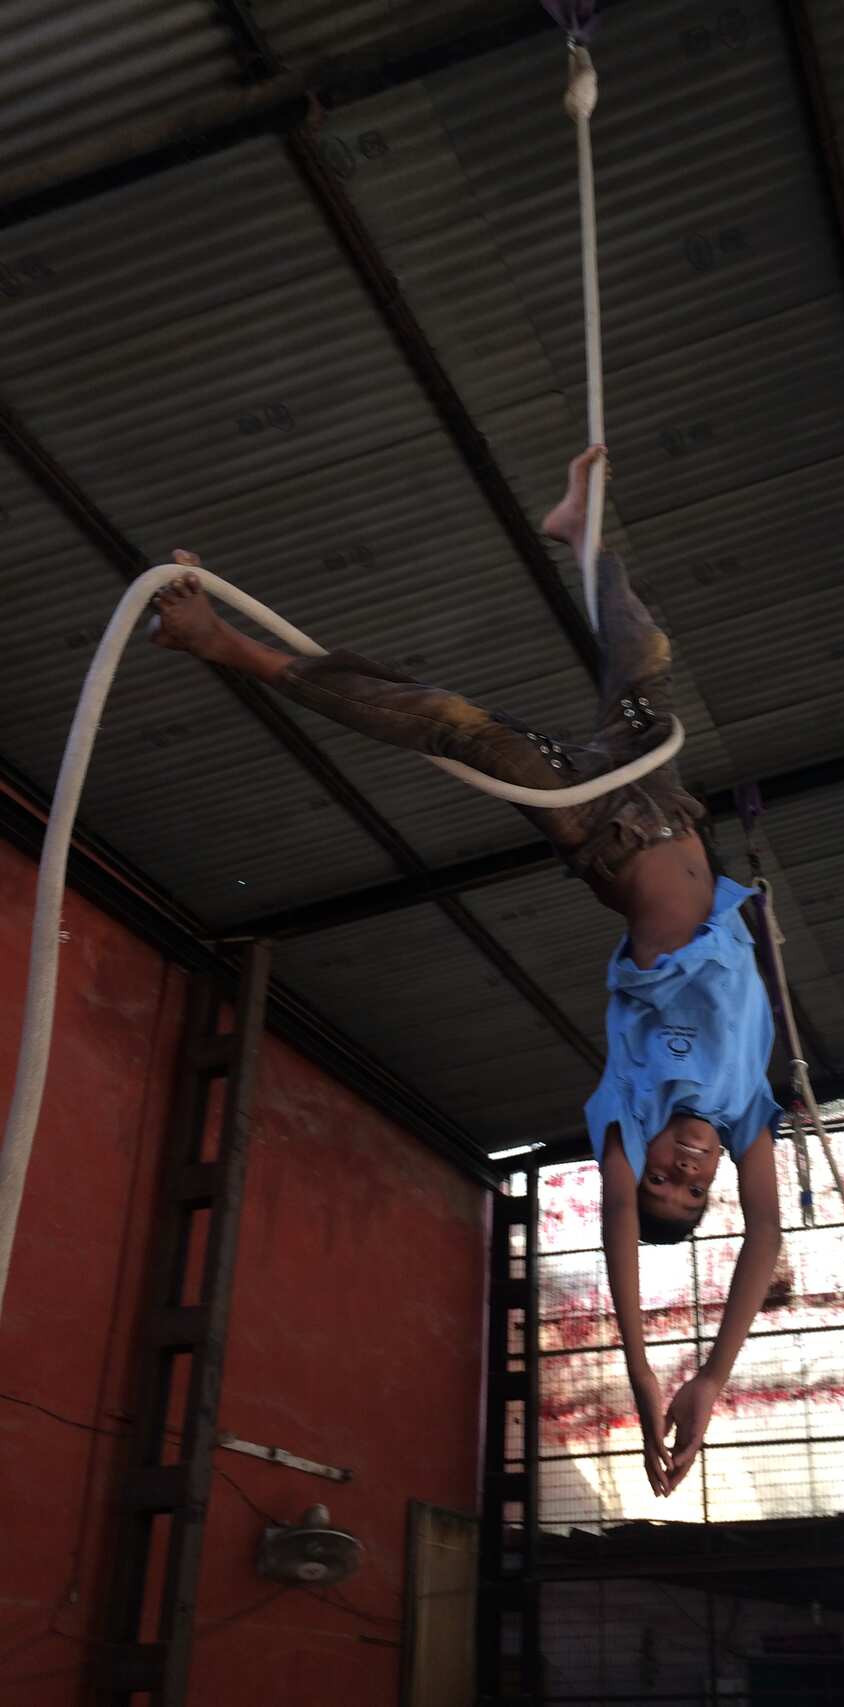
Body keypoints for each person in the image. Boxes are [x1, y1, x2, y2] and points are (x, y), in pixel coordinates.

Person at [150, 446, 783, 1495]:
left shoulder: (633, 1103)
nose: (678, 1166)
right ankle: (581, 534)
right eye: (693, 1184)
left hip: (597, 830)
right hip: (664, 801)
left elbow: (623, 1229)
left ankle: (220, 644)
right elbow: (762, 1239)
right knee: (645, 654)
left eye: (661, 1181)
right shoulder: (750, 1110)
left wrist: (645, 1378)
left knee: (446, 722)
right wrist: (714, 1377)